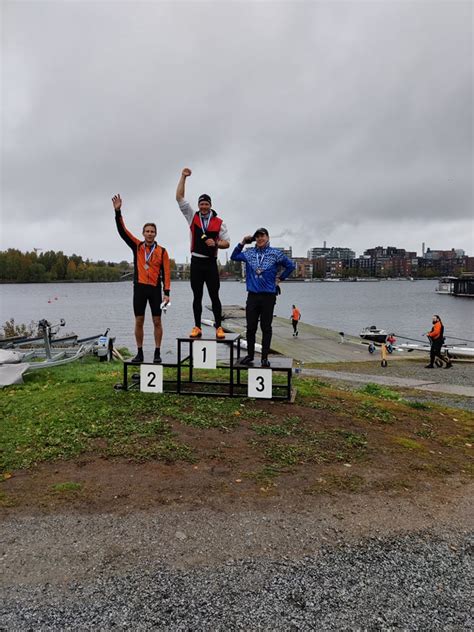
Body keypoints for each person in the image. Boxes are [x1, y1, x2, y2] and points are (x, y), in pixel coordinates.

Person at [112, 194, 170, 364]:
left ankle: (157, 352)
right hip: (139, 288)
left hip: (154, 290)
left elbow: (166, 273)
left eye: (152, 231)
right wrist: (118, 212)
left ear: (156, 233)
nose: (150, 234)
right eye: (147, 231)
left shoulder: (163, 251)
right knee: (139, 320)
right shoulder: (137, 246)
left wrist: (167, 293)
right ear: (143, 233)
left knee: (157, 320)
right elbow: (123, 232)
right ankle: (140, 353)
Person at [176, 168, 230, 339]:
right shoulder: (193, 217)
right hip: (197, 263)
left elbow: (227, 243)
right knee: (197, 296)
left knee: (215, 296)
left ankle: (219, 328)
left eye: (206, 204)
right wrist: (183, 177)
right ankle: (197, 327)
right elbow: (179, 198)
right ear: (198, 205)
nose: (204, 207)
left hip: (211, 263)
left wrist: (216, 243)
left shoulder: (219, 222)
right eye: (201, 204)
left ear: (210, 205)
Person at [231, 228, 295, 367]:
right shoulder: (249, 253)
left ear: (268, 237)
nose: (260, 239)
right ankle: (250, 355)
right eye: (257, 237)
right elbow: (234, 256)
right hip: (253, 295)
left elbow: (291, 265)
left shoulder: (275, 254)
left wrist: (281, 278)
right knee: (251, 327)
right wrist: (242, 242)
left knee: (266, 327)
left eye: (262, 236)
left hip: (268, 296)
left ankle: (264, 357)